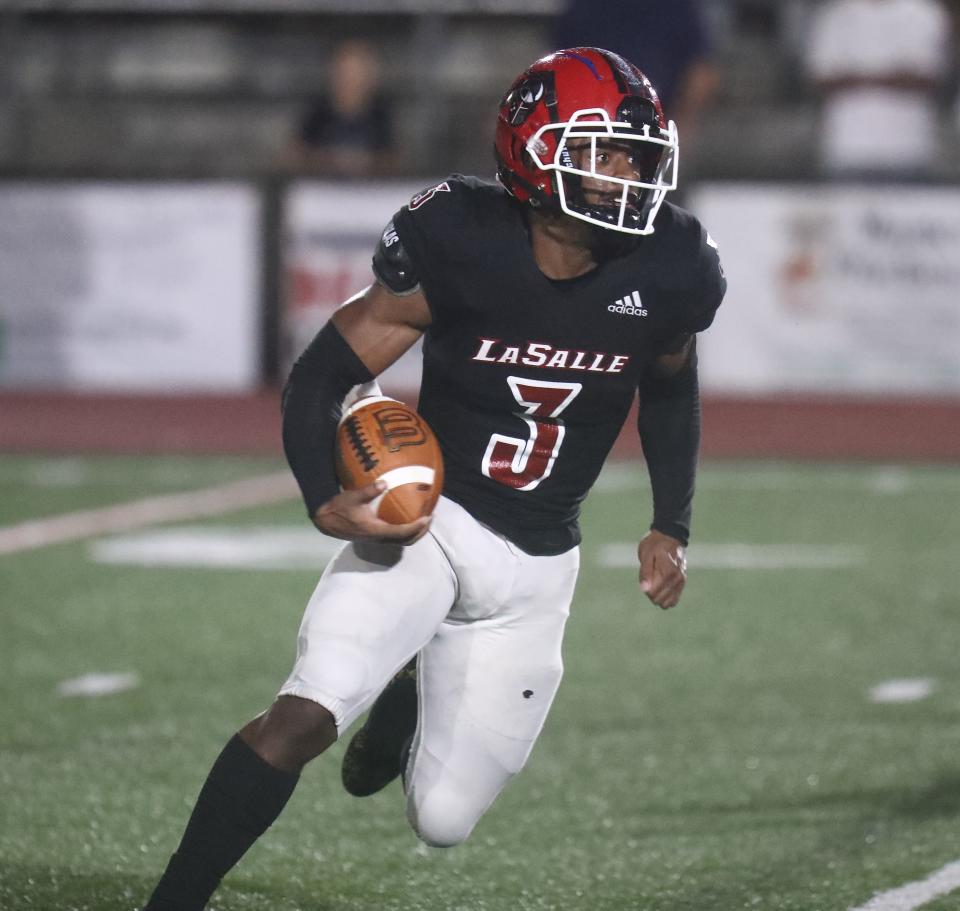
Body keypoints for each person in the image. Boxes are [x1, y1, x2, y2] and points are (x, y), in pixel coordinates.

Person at [142, 46, 726, 911]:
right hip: (432, 517)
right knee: (305, 714)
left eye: (634, 155)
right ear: (533, 148)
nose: (624, 175)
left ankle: (412, 690)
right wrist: (321, 495)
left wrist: (669, 521)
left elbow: (671, 383)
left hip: (537, 565)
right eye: (601, 152)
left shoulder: (671, 264)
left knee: (443, 819)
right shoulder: (460, 235)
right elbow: (324, 370)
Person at [805, 0, 951, 180]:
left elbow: (929, 79)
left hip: (908, 151)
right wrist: (892, 76)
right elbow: (823, 80)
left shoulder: (925, 13)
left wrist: (859, 76)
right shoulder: (836, 15)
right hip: (848, 150)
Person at [551, 0, 721, 148]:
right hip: (591, 121)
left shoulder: (677, 6)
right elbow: (558, 63)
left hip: (657, 122)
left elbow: (701, 71)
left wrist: (682, 125)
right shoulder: (587, 6)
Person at [286, 38, 395, 177]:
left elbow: (394, 159)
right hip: (320, 191)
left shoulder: (381, 115)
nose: (352, 80)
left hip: (370, 192)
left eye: (358, 72)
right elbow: (294, 155)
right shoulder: (317, 113)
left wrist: (365, 162)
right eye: (346, 72)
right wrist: (328, 160)